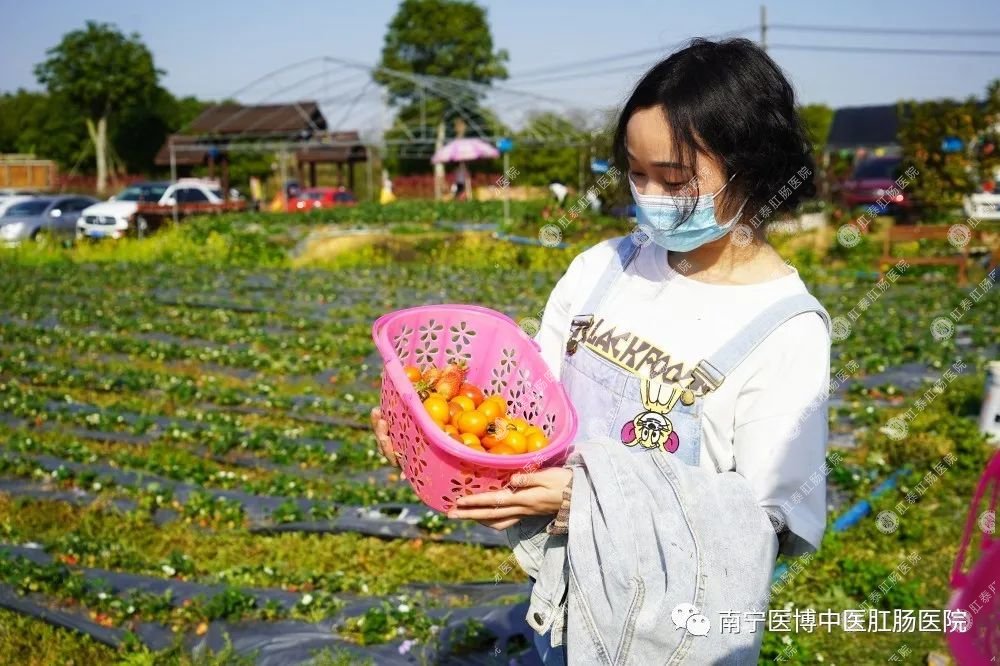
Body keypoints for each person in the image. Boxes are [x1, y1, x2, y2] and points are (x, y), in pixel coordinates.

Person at [372, 37, 830, 664]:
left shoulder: (786, 330)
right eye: (637, 174)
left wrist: (584, 501)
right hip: (563, 602)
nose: (651, 195)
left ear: (753, 169)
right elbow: (524, 416)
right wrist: (435, 435)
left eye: (674, 179)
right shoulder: (602, 270)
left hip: (674, 635)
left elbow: (767, 524)